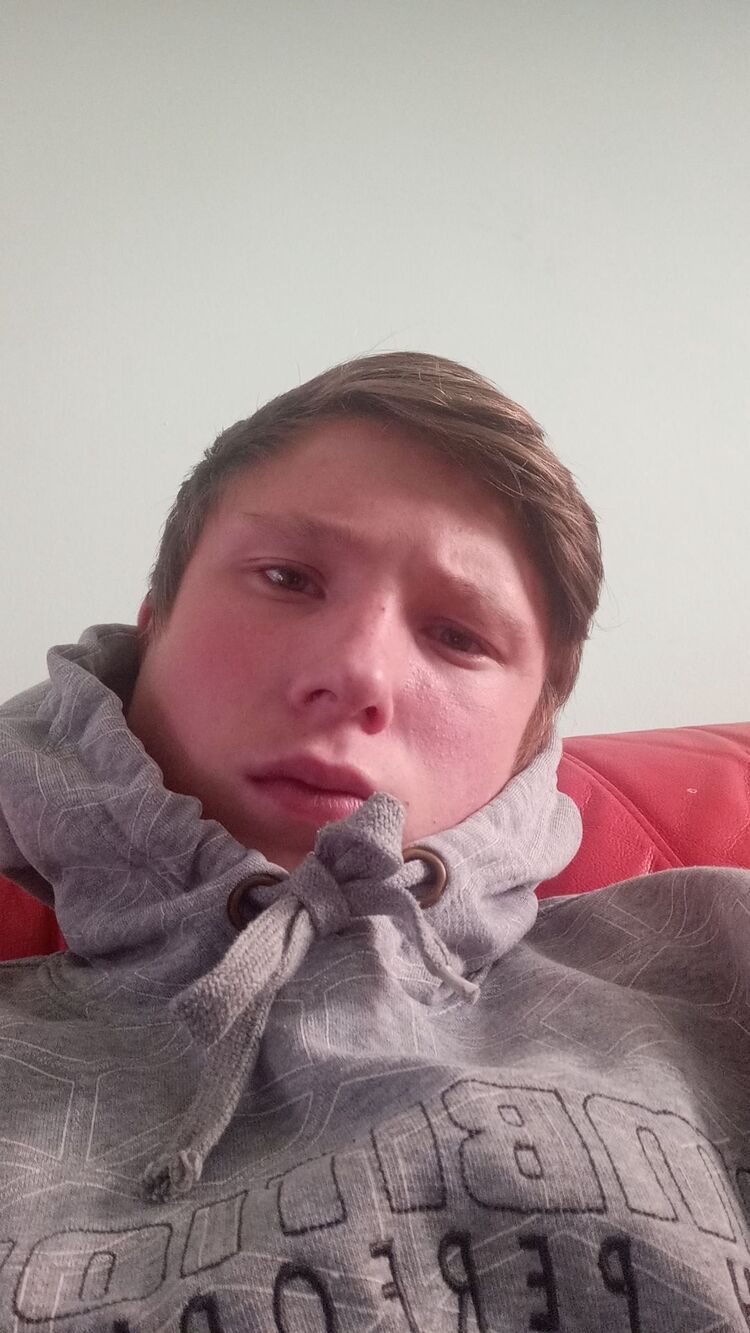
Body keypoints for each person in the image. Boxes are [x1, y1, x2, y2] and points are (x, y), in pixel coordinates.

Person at [0, 351, 748, 1332]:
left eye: (460, 635)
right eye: (286, 577)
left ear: (531, 736)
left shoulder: (724, 958)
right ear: (152, 632)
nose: (357, 672)